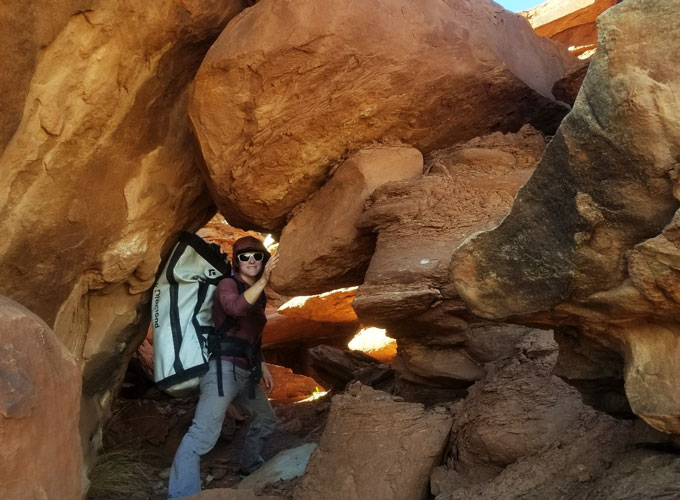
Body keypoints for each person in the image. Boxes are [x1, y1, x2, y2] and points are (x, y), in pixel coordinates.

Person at [168, 235, 279, 499]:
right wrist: (264, 281)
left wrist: (262, 365)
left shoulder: (259, 297)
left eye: (257, 256)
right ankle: (182, 494)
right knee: (202, 434)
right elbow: (236, 308)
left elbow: (253, 335)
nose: (251, 260)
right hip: (222, 372)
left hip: (246, 373)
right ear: (236, 261)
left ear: (264, 260)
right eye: (244, 256)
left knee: (265, 419)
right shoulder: (227, 284)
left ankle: (249, 466)